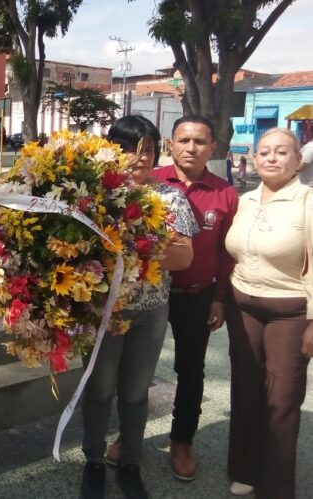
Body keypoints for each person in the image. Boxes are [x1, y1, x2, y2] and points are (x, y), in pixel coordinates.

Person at [107, 115, 239, 480]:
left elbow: (228, 253)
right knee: (133, 371)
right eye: (184, 140)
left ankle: (182, 441)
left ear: (212, 146)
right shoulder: (148, 180)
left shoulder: (224, 193)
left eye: (200, 141)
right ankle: (126, 437)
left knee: (190, 371)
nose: (191, 148)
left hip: (196, 296)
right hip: (144, 295)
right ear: (171, 144)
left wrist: (220, 298)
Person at [80, 115, 198, 499]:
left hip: (150, 310)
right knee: (99, 389)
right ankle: (94, 461)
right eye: (131, 148)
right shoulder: (94, 194)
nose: (140, 157)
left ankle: (130, 461)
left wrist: (133, 244)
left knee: (135, 390)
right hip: (102, 311)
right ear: (113, 151)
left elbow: (183, 257)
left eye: (148, 149)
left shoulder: (169, 197)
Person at [224, 128, 312, 499]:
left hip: (289, 313)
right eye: (264, 152)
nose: (271, 158)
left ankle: (276, 486)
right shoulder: (245, 200)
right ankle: (244, 468)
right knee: (245, 389)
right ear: (254, 159)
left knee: (282, 400)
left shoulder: (308, 201)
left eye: (281, 152)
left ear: (298, 160)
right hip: (242, 305)